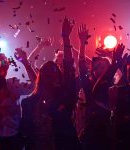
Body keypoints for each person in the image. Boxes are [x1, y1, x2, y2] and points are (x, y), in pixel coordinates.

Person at [20, 17, 81, 150]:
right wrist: (26, 61)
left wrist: (66, 39)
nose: (51, 76)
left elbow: (70, 68)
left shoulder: (65, 96)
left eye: (54, 72)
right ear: (41, 77)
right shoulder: (28, 103)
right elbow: (24, 133)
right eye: (47, 74)